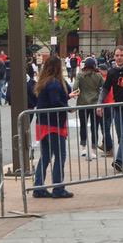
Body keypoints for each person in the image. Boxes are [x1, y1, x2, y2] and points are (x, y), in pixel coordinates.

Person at [32, 55, 78, 199]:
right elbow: (55, 102)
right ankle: (58, 188)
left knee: (45, 156)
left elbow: (53, 99)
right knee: (60, 156)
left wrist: (67, 97)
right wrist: (68, 108)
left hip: (43, 123)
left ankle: (38, 187)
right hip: (53, 124)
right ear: (58, 67)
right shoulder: (54, 83)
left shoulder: (44, 81)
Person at [75, 57, 103, 158]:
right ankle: (93, 150)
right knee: (94, 127)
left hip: (82, 103)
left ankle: (83, 148)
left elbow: (74, 87)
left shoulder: (80, 75)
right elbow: (103, 87)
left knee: (83, 125)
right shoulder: (98, 75)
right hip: (95, 103)